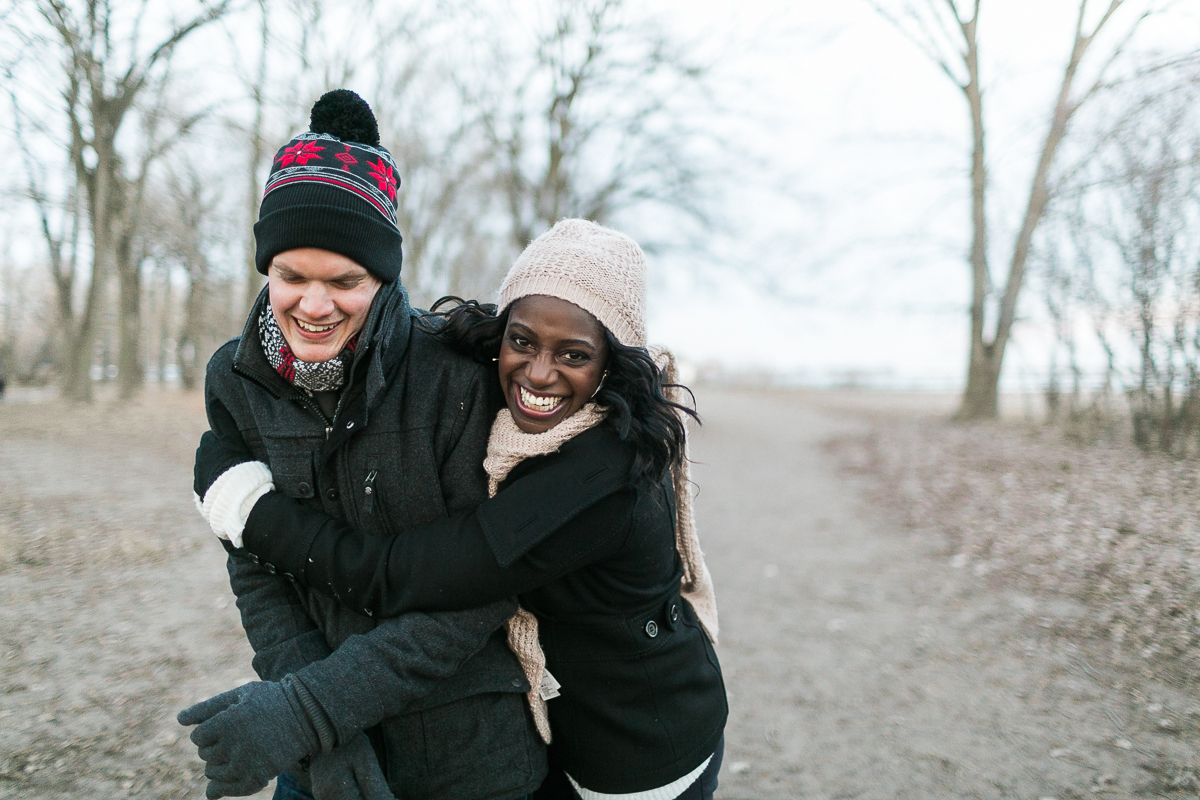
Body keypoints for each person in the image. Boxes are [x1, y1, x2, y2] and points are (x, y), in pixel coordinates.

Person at [194, 219, 728, 800]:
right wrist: (226, 454)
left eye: (573, 354)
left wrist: (244, 507)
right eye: (522, 340)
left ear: (611, 364)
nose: (540, 372)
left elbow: (399, 574)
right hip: (569, 720)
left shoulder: (597, 481)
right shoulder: (490, 390)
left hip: (639, 747)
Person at [178, 90, 548, 800]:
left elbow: (481, 588)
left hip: (470, 749)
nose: (313, 306)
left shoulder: (456, 376)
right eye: (292, 276)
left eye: (344, 281)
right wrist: (320, 734)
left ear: (383, 277)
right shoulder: (234, 379)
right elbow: (257, 563)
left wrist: (317, 709)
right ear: (267, 270)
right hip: (313, 738)